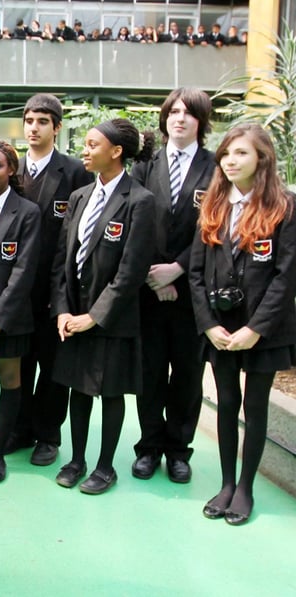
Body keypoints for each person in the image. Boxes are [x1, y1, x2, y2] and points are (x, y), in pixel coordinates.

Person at [190, 123, 296, 526]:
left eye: (241, 154)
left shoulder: (285, 206)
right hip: (220, 328)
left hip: (262, 329)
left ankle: (246, 488)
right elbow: (196, 274)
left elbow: (286, 277)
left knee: (254, 406)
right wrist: (208, 325)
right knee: (227, 402)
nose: (231, 161)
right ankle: (226, 483)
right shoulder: (214, 204)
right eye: (227, 154)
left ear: (262, 159)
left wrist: (256, 328)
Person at [51, 118, 156, 496]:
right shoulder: (79, 196)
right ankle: (77, 460)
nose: (85, 149)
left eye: (93, 144)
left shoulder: (140, 201)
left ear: (116, 152)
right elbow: (62, 258)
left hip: (111, 319)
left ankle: (105, 466)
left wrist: (93, 317)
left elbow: (130, 272)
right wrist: (63, 309)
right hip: (73, 314)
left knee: (110, 393)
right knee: (78, 391)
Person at [130, 88, 217, 484]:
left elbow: (213, 229)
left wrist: (178, 269)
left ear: (201, 121)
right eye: (173, 111)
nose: (179, 118)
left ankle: (179, 450)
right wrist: (153, 272)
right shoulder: (146, 166)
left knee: (186, 375)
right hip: (148, 290)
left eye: (188, 113)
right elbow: (134, 220)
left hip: (192, 291)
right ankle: (148, 447)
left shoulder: (216, 168)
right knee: (148, 373)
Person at [10, 94, 92, 466]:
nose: (33, 128)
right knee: (17, 364)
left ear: (57, 127)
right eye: (29, 120)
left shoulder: (75, 172)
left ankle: (48, 435)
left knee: (54, 367)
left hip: (57, 288)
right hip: (14, 290)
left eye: (42, 121)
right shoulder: (10, 170)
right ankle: (19, 428)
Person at [0, 142, 41, 483]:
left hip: (10, 317)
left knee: (10, 380)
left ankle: (0, 450)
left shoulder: (27, 212)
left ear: (11, 170)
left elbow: (24, 272)